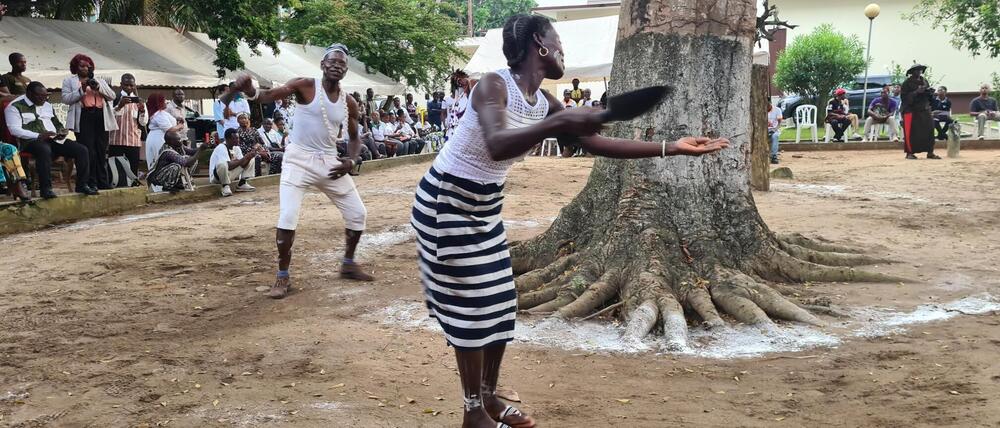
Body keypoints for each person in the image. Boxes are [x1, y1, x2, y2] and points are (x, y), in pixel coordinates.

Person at [410, 14, 728, 428]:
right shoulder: (493, 85)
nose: (563, 51)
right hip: (446, 201)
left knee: (502, 303)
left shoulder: (544, 101)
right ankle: (472, 411)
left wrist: (671, 147)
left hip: (485, 206)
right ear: (540, 46)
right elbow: (496, 142)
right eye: (558, 42)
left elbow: (594, 141)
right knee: (474, 307)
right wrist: (558, 123)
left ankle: (488, 398)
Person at [225, 43, 376, 300]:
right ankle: (282, 276)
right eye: (332, 62)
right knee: (288, 216)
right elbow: (266, 96)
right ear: (322, 65)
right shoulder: (305, 85)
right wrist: (249, 89)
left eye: (342, 63)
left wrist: (351, 160)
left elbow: (354, 137)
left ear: (346, 70)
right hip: (298, 160)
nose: (337, 66)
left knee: (357, 213)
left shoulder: (348, 101)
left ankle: (348, 263)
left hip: (329, 162)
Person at [6, 81, 94, 198]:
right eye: (40, 96)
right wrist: (39, 135)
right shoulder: (14, 106)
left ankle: (82, 185)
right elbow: (14, 130)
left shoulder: (47, 105)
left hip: (53, 139)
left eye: (46, 96)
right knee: (44, 149)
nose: (44, 99)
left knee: (81, 149)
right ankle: (46, 189)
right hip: (30, 141)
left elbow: (56, 123)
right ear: (29, 94)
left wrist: (62, 131)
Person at [62, 54, 118, 190]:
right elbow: (66, 99)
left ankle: (103, 182)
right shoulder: (69, 81)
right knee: (88, 151)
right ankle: (89, 182)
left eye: (88, 66)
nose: (85, 68)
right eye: (82, 66)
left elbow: (112, 96)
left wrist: (98, 87)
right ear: (75, 67)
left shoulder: (99, 80)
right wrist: (81, 89)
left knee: (101, 150)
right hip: (84, 116)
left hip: (100, 116)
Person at [108, 74, 147, 179]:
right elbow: (107, 116)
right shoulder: (113, 98)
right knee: (115, 168)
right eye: (126, 85)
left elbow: (143, 123)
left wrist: (142, 111)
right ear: (121, 85)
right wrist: (119, 106)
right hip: (116, 140)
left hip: (133, 141)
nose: (129, 88)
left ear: (135, 85)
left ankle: (132, 188)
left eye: (131, 85)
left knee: (133, 169)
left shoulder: (140, 101)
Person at [144, 93, 186, 192]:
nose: (166, 101)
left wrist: (176, 120)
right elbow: (169, 129)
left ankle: (171, 182)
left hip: (164, 137)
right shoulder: (158, 114)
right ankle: (160, 186)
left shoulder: (161, 113)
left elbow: (169, 123)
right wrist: (180, 126)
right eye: (163, 100)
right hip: (159, 138)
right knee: (160, 161)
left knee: (167, 161)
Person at [900, 64, 940, 160]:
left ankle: (930, 152)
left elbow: (928, 97)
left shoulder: (924, 81)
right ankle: (909, 153)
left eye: (920, 70)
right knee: (911, 133)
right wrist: (916, 92)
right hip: (911, 110)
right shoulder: (907, 83)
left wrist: (929, 92)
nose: (919, 72)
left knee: (929, 130)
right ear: (912, 72)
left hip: (924, 109)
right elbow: (904, 98)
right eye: (917, 70)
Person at [209, 128, 257, 196]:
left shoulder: (236, 148)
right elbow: (229, 166)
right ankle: (225, 186)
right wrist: (244, 158)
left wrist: (248, 157)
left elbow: (242, 163)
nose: (237, 140)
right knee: (222, 164)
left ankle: (242, 184)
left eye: (238, 138)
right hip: (217, 178)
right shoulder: (221, 147)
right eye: (235, 138)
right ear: (227, 139)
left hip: (230, 174)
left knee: (251, 159)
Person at [445, 70, 471, 139]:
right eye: (457, 82)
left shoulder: (470, 96)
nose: (459, 83)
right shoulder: (459, 97)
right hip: (455, 129)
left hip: (464, 130)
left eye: (460, 80)